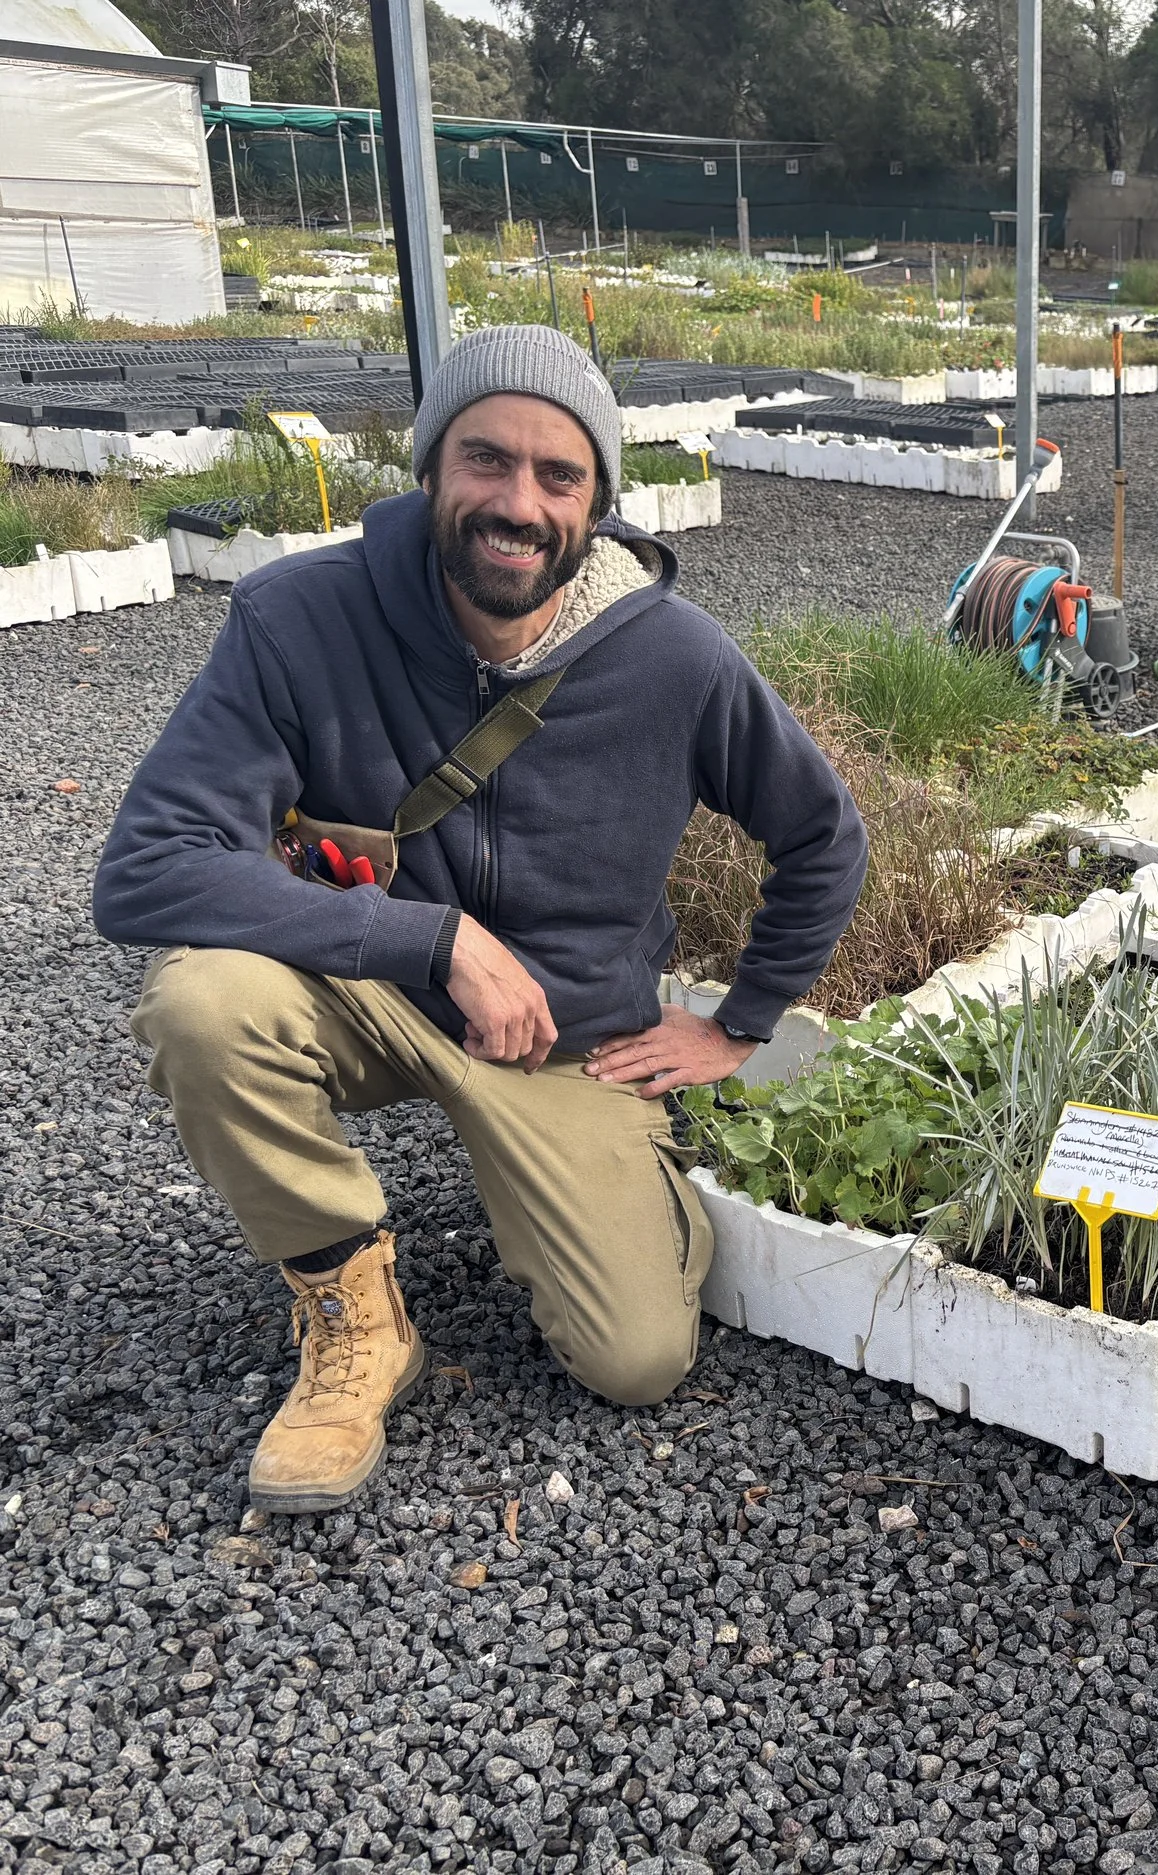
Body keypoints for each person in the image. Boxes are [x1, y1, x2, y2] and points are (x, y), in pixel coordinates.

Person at [94, 325, 866, 1515]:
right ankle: (352, 1308)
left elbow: (823, 836)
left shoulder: (677, 660)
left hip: (567, 1038)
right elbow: (147, 869)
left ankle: (607, 1184)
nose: (518, 502)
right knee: (204, 1005)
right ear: (430, 468)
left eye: (559, 476)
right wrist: (432, 939)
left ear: (599, 500)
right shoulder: (297, 619)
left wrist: (743, 1022)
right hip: (371, 998)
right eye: (486, 460)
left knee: (637, 1362)